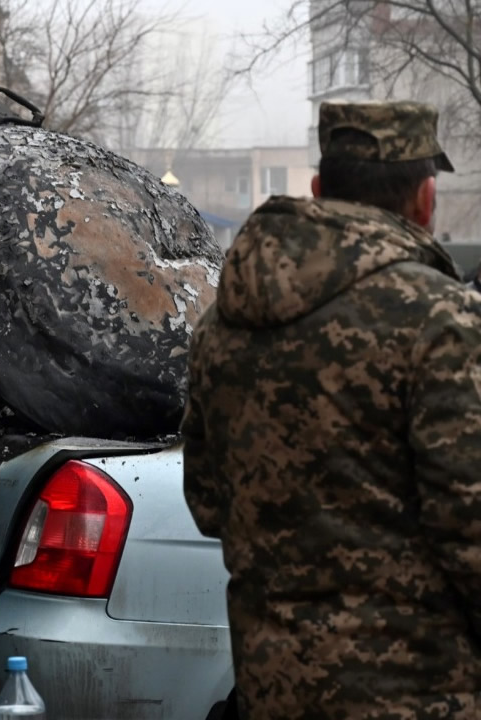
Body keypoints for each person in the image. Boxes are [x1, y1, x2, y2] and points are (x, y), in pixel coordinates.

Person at [182, 100, 481, 719]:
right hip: (419, 693)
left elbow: (207, 503)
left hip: (273, 687)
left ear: (318, 190)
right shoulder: (441, 319)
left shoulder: (221, 326)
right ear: (426, 198)